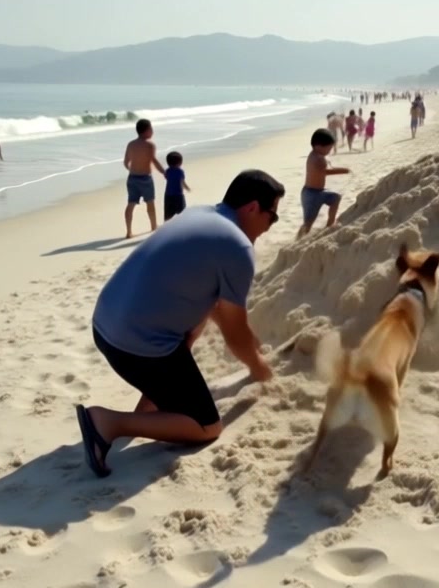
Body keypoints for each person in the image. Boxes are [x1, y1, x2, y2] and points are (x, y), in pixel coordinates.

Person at [75, 170, 285, 476]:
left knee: (196, 317)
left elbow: (215, 308)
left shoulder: (198, 214)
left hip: (105, 325)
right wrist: (258, 368)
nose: (270, 226)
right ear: (252, 208)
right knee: (207, 426)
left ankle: (152, 404)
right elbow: (234, 332)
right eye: (272, 217)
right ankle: (108, 423)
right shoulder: (238, 247)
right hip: (136, 347)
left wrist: (245, 336)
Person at [297, 128, 350, 239]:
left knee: (335, 198)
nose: (330, 150)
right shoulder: (316, 158)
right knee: (308, 222)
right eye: (329, 148)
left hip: (319, 192)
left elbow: (327, 167)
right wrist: (343, 170)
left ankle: (330, 224)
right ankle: (298, 240)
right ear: (319, 146)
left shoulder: (319, 156)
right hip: (310, 194)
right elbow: (325, 172)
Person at [124, 118, 165, 239]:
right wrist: (164, 172)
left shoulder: (131, 144)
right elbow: (154, 161)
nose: (152, 131)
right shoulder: (149, 145)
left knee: (131, 203)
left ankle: (129, 231)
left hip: (132, 178)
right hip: (145, 178)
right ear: (146, 131)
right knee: (150, 202)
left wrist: (132, 170)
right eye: (151, 129)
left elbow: (126, 162)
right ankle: (153, 226)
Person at [163, 151, 191, 221]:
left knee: (168, 213)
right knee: (181, 212)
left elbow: (166, 177)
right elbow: (182, 182)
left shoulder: (167, 171)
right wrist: (187, 188)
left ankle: (168, 226)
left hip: (168, 195)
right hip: (178, 195)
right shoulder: (180, 171)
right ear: (180, 162)